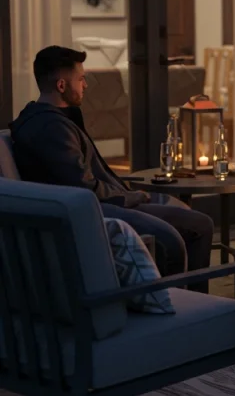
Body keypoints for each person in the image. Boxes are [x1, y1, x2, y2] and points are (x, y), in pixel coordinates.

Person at [10, 45, 214, 282]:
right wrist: (131, 197)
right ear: (62, 85)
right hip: (101, 209)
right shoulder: (51, 128)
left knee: (183, 213)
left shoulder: (50, 119)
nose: (85, 85)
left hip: (105, 201)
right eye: (81, 79)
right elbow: (84, 189)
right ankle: (187, 303)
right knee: (200, 225)